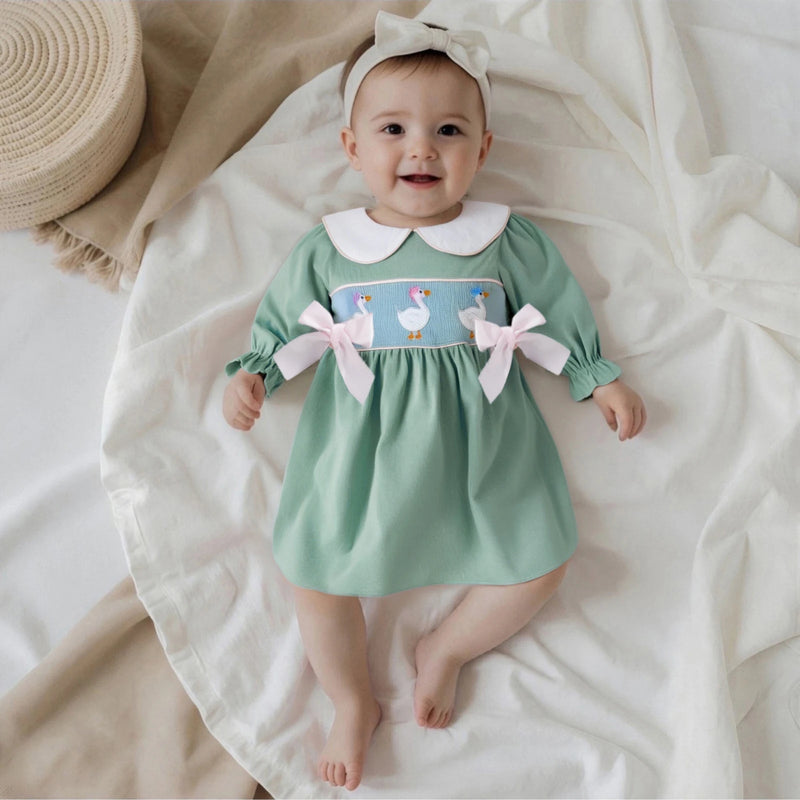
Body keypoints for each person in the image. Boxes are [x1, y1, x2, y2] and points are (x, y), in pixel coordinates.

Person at [223, 11, 646, 792]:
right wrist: (256, 375)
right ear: (352, 149)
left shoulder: (503, 237)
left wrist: (596, 377)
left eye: (449, 130)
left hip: (481, 446)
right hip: (359, 450)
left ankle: (446, 648)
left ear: (482, 151)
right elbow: (290, 327)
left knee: (542, 562)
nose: (421, 147)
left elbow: (551, 312)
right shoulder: (331, 246)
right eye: (392, 128)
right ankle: (352, 699)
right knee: (313, 575)